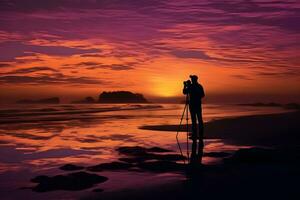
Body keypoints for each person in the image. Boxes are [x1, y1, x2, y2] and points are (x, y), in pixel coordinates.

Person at [183, 75, 205, 164]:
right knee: (198, 120)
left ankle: (197, 135)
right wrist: (186, 86)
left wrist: (186, 86)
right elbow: (185, 92)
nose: (191, 80)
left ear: (193, 79)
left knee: (196, 120)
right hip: (196, 105)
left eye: (192, 79)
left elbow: (185, 92)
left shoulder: (194, 86)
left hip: (193, 105)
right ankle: (199, 134)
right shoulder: (198, 86)